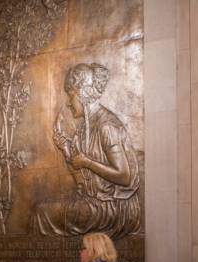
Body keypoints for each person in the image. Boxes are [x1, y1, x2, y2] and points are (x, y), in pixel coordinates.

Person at [31, 63, 142, 240]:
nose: (68, 102)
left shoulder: (106, 125)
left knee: (42, 212)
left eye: (71, 96)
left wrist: (87, 162)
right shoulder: (84, 128)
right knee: (43, 208)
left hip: (112, 208)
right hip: (94, 202)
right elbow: (83, 181)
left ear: (82, 95)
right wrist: (66, 150)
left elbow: (124, 175)